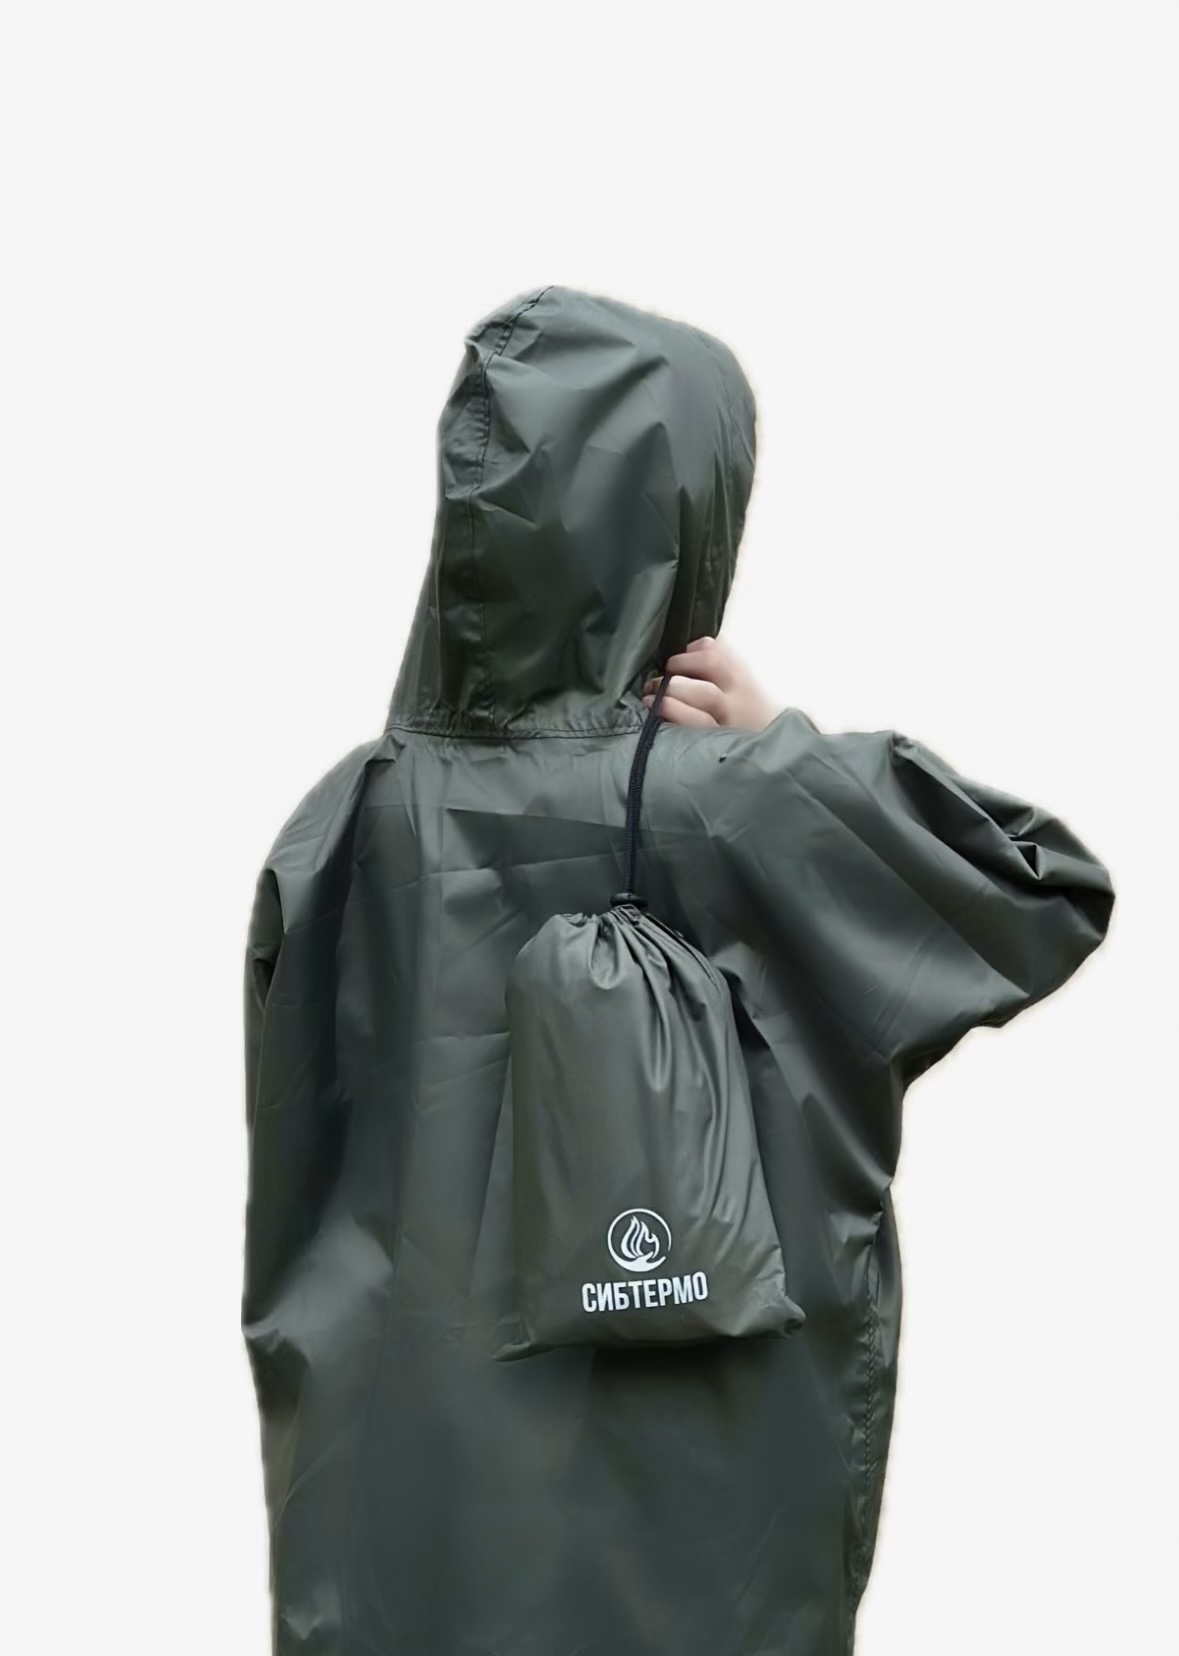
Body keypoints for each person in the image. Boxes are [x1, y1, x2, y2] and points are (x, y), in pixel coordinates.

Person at [243, 286, 1113, 1656]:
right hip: (708, 1549)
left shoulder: (349, 817)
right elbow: (1042, 889)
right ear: (689, 518)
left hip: (408, 1527)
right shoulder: (750, 803)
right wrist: (790, 750)